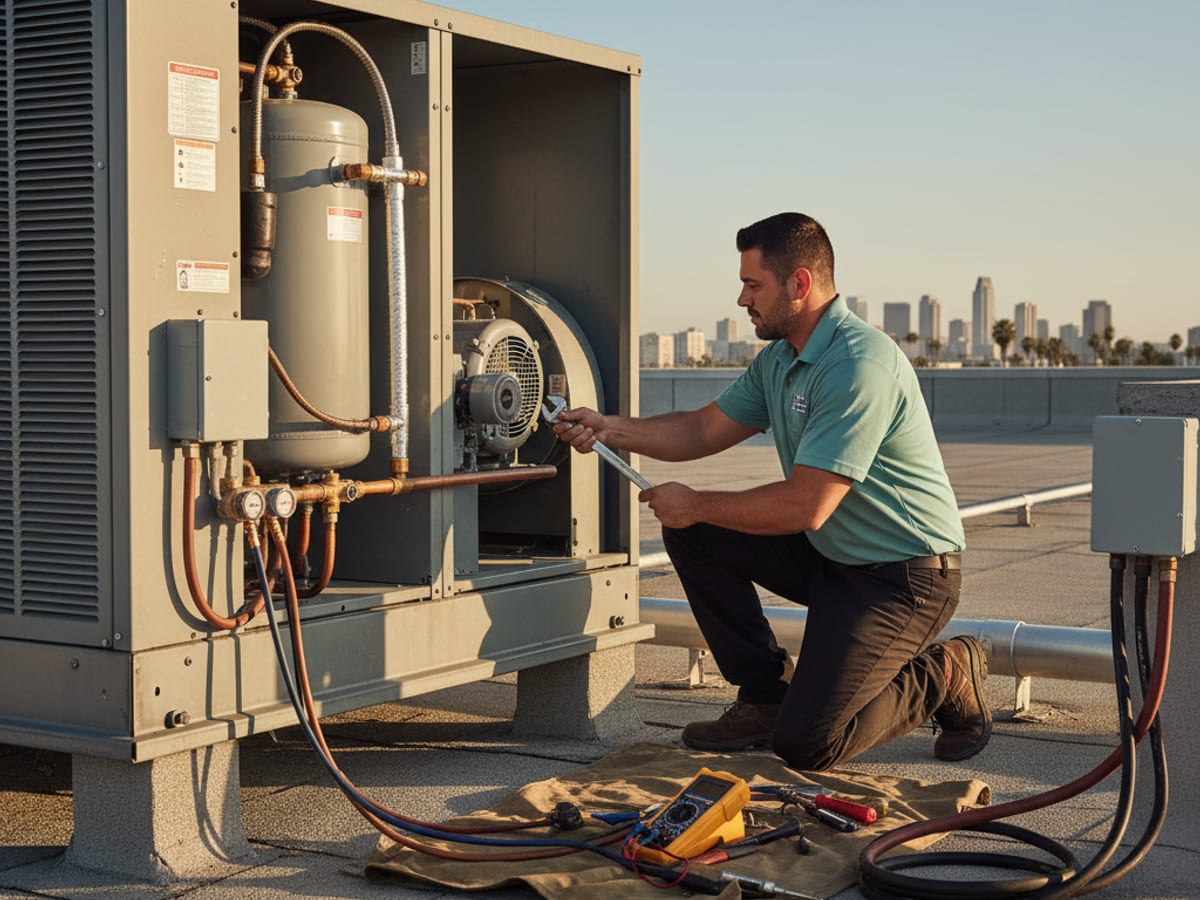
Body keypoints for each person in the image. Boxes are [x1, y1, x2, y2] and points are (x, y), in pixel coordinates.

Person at [551, 212, 990, 771]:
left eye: (753, 285)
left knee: (808, 745)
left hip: (904, 576)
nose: (742, 299)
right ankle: (764, 697)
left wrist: (698, 501)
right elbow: (703, 428)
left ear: (800, 284)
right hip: (833, 555)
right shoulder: (780, 360)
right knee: (695, 531)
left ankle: (946, 672)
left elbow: (806, 505)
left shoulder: (857, 364)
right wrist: (609, 428)